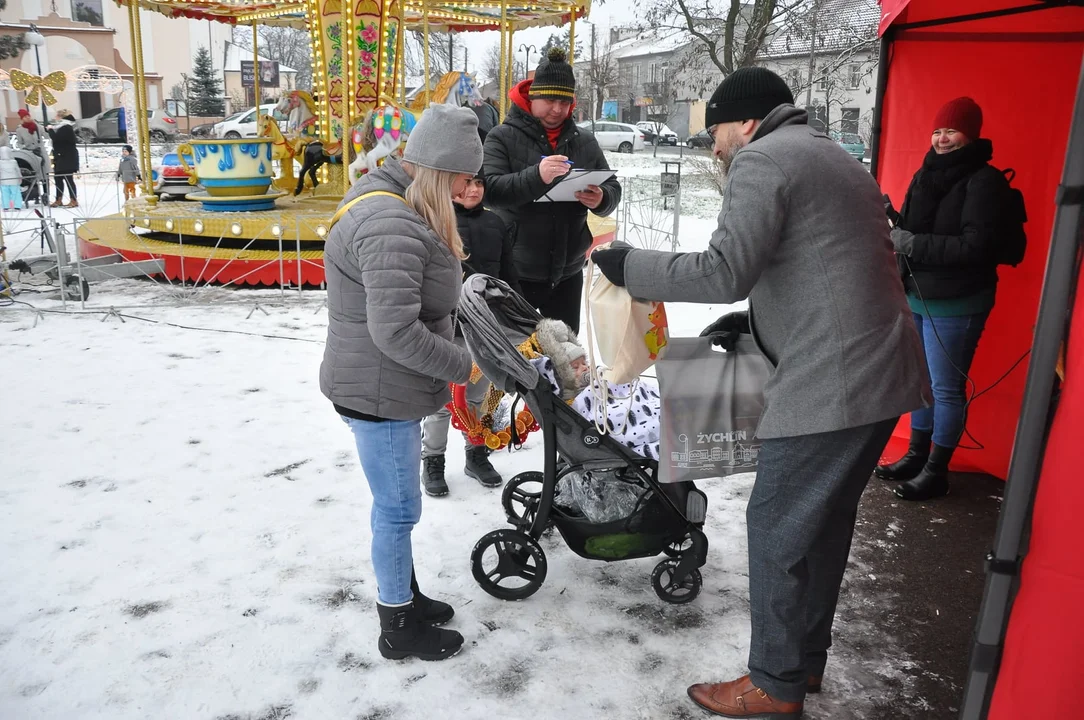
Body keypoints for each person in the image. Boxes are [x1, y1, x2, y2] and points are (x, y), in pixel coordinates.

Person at [591, 67, 931, 718]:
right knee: (823, 524)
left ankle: (774, 685)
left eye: (715, 129)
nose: (713, 144)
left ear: (745, 121)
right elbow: (826, 266)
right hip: (881, 371)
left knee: (776, 525)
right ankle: (803, 664)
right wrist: (758, 321)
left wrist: (629, 265)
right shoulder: (829, 155)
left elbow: (724, 269)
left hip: (835, 381)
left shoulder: (764, 159)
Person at [319, 103, 483, 662]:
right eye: (463, 178)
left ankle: (405, 596)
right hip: (380, 390)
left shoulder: (395, 199)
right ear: (437, 170)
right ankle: (398, 627)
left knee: (393, 504)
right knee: (397, 509)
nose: (469, 189)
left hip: (379, 383)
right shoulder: (391, 223)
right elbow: (395, 333)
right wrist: (469, 366)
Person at [875, 97, 1008, 502]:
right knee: (922, 381)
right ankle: (917, 455)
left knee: (946, 388)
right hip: (918, 294)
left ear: (970, 134)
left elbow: (976, 247)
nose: (942, 138)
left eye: (951, 131)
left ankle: (937, 471)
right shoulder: (925, 173)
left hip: (958, 301)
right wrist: (892, 219)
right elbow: (916, 231)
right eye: (937, 131)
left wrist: (911, 242)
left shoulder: (985, 182)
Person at [482, 47, 622, 334]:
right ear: (531, 97)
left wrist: (601, 198)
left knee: (567, 356)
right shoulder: (501, 137)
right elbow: (491, 190)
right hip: (516, 271)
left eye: (564, 101)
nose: (557, 109)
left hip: (568, 272)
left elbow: (611, 187)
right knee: (516, 352)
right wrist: (537, 176)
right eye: (549, 100)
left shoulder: (584, 140)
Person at [420, 171, 523, 497]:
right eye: (466, 183)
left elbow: (507, 275)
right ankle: (432, 459)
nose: (473, 190)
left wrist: (516, 314)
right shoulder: (434, 221)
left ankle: (476, 453)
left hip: (485, 323)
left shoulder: (495, 224)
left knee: (477, 395)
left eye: (479, 184)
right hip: (447, 323)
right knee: (442, 400)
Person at [47, 110, 79, 208]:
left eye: (56, 115)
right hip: (60, 156)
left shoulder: (66, 128)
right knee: (58, 178)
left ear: (61, 117)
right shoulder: (62, 127)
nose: (55, 117)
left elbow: (57, 139)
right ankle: (58, 199)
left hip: (66, 157)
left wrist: (50, 130)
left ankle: (73, 200)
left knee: (68, 179)